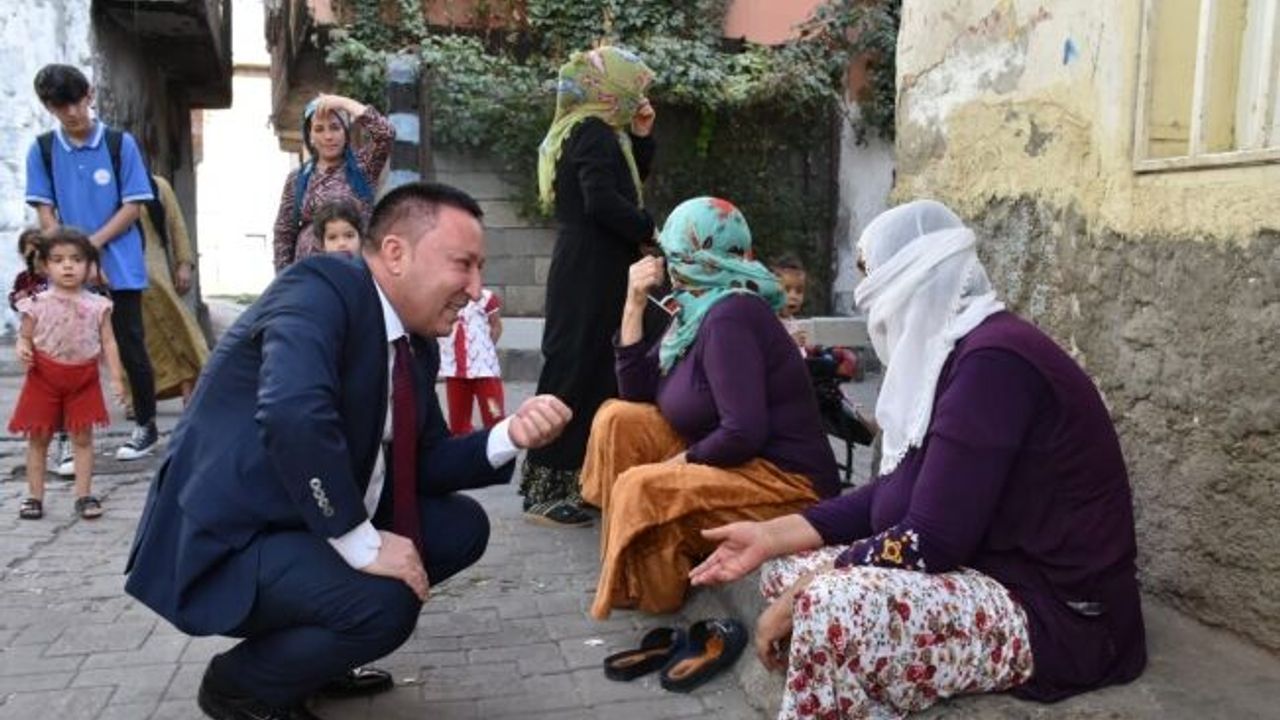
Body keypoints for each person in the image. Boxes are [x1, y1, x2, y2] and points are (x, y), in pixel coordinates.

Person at [124, 182, 572, 720]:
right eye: (464, 264)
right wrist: (360, 542)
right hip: (230, 537)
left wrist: (510, 435)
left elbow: (421, 460)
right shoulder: (320, 287)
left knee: (461, 527)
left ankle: (316, 659)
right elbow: (292, 412)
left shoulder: (415, 342)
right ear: (396, 253)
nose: (476, 290)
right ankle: (239, 687)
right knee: (386, 604)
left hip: (296, 518)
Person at [690, 200, 1146, 719]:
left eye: (878, 296)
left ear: (913, 288)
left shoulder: (993, 365)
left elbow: (931, 538)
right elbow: (896, 493)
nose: (875, 317)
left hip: (1062, 615)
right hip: (990, 569)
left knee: (825, 604)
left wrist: (804, 593)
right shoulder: (951, 359)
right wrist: (769, 535)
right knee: (784, 569)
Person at [580, 196, 840, 620]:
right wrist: (633, 304)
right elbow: (637, 392)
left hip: (787, 481)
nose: (667, 263)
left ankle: (654, 591)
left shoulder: (730, 316)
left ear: (693, 257)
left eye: (674, 253)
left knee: (643, 487)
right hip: (740, 456)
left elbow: (743, 431)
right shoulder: (696, 309)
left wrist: (680, 463)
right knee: (617, 418)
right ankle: (631, 567)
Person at [523, 45, 658, 527]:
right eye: (635, 85)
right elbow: (603, 203)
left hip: (596, 266)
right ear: (610, 88)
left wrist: (642, 137)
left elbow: (622, 186)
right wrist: (651, 231)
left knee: (599, 371)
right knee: (573, 370)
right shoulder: (593, 132)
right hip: (590, 270)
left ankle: (583, 481)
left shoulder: (601, 134)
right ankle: (543, 490)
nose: (640, 94)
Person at [25, 63, 160, 461]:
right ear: (50, 108)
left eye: (76, 102)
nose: (71, 113)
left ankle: (145, 426)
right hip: (68, 269)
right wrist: (73, 257)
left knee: (130, 345)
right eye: (60, 106)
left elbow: (134, 205)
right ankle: (68, 437)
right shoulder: (44, 150)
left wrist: (93, 248)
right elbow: (46, 211)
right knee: (65, 351)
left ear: (90, 96)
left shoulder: (120, 145)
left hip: (120, 265)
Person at [10, 228, 125, 521]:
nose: (68, 266)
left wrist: (117, 378)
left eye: (76, 259)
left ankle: (84, 495)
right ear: (45, 266)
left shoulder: (99, 305)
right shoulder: (35, 303)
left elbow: (109, 342)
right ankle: (34, 497)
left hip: (83, 380)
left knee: (83, 439)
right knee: (38, 438)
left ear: (90, 266)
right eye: (58, 260)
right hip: (43, 377)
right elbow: (25, 336)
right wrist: (23, 346)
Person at [272, 94, 394, 272]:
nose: (328, 136)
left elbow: (386, 134)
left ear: (345, 132)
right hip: (310, 277)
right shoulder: (298, 178)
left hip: (356, 273)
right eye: (319, 129)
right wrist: (284, 280)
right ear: (310, 136)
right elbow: (284, 232)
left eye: (335, 127)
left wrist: (343, 103)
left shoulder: (364, 167)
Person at [136, 174, 208, 406]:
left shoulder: (156, 185)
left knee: (176, 327)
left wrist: (184, 264)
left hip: (156, 269)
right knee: (136, 338)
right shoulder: (105, 185)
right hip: (120, 272)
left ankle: (189, 386)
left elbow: (176, 225)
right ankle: (135, 397)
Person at [437, 288, 505, 435]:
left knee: (494, 414)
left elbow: (496, 326)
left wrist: (485, 351)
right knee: (458, 422)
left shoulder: (486, 297)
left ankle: (497, 450)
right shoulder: (443, 297)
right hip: (455, 370)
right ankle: (463, 452)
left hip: (485, 371)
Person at [771, 253, 809, 350]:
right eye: (787, 290)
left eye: (799, 291)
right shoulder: (770, 322)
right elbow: (769, 351)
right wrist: (791, 342)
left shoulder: (791, 321)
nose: (794, 296)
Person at [9, 228, 48, 311]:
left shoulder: (54, 274)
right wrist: (17, 298)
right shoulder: (22, 278)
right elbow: (15, 304)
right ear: (23, 256)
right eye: (31, 254)